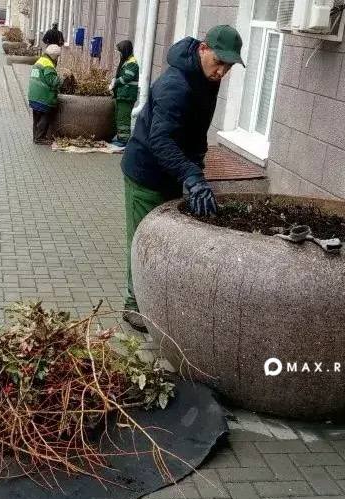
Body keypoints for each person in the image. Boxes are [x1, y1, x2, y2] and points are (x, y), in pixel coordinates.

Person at [119, 25, 243, 332]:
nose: (222, 72)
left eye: (228, 66)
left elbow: (196, 129)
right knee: (142, 239)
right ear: (203, 48)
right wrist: (190, 173)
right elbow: (161, 140)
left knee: (164, 239)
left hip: (172, 173)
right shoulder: (176, 85)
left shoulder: (206, 78)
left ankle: (157, 299)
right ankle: (133, 305)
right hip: (145, 174)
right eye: (219, 62)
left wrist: (197, 168)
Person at [27, 44, 62, 145]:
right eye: (58, 56)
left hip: (33, 95)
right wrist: (61, 79)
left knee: (36, 117)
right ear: (54, 56)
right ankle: (40, 138)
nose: (58, 59)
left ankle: (36, 137)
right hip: (43, 96)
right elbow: (53, 81)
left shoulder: (40, 61)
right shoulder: (48, 65)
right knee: (45, 115)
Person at [109, 40, 139, 148]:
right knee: (120, 116)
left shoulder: (132, 63)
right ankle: (121, 137)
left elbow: (127, 77)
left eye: (120, 51)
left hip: (127, 95)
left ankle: (124, 140)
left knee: (123, 118)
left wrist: (115, 82)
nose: (119, 54)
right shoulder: (127, 62)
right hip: (123, 95)